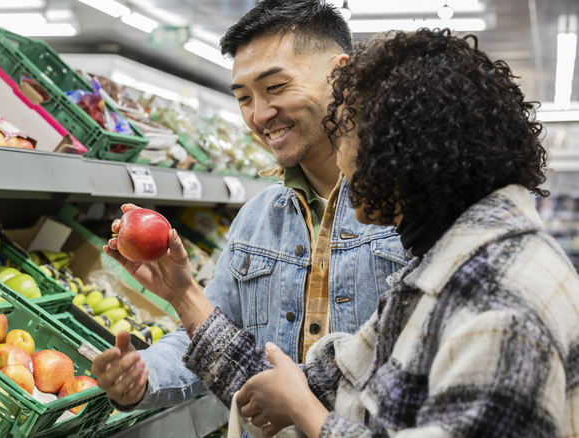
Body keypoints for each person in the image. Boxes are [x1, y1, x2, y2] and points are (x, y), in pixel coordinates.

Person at [168, 27, 579, 437]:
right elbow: (328, 388)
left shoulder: (497, 296)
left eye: (346, 133)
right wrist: (184, 294)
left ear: (406, 145)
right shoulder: (436, 273)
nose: (342, 161)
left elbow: (305, 400)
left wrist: (304, 410)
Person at [90, 0, 407, 417]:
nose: (260, 115)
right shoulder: (256, 221)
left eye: (276, 87)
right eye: (243, 97)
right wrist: (142, 376)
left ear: (342, 75)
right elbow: (209, 334)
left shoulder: (406, 208)